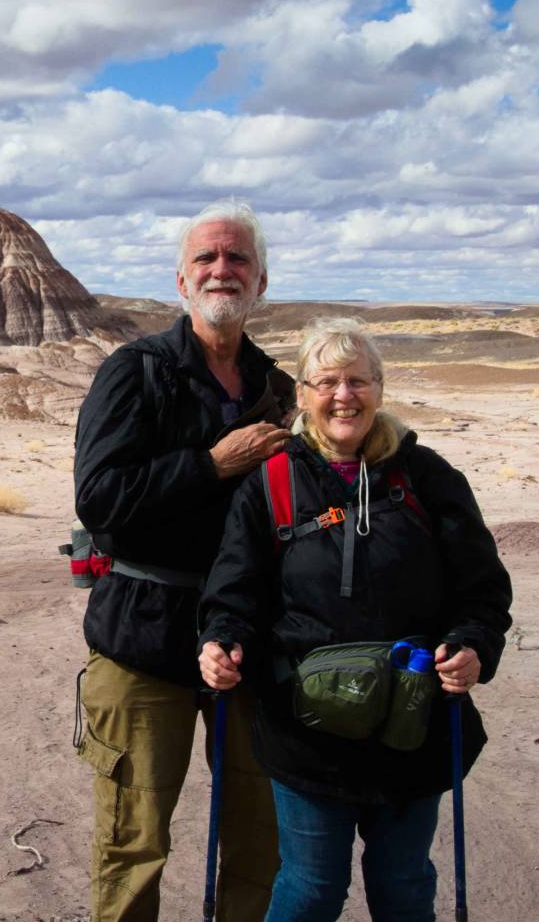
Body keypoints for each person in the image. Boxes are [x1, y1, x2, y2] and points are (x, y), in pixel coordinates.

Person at [197, 318, 513, 922]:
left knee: (403, 886)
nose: (344, 395)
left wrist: (472, 644)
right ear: (302, 394)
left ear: (380, 389)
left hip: (412, 720)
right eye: (327, 382)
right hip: (307, 731)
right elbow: (233, 591)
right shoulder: (272, 483)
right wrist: (221, 640)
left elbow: (483, 590)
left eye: (358, 381)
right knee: (312, 887)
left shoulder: (429, 478)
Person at [73, 198, 299, 922]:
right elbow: (99, 499)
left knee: (260, 839)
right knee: (133, 844)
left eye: (237, 258)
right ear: (181, 281)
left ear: (260, 282)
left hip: (249, 641)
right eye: (206, 257)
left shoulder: (275, 388)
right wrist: (210, 464)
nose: (221, 269)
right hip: (143, 639)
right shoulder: (134, 372)